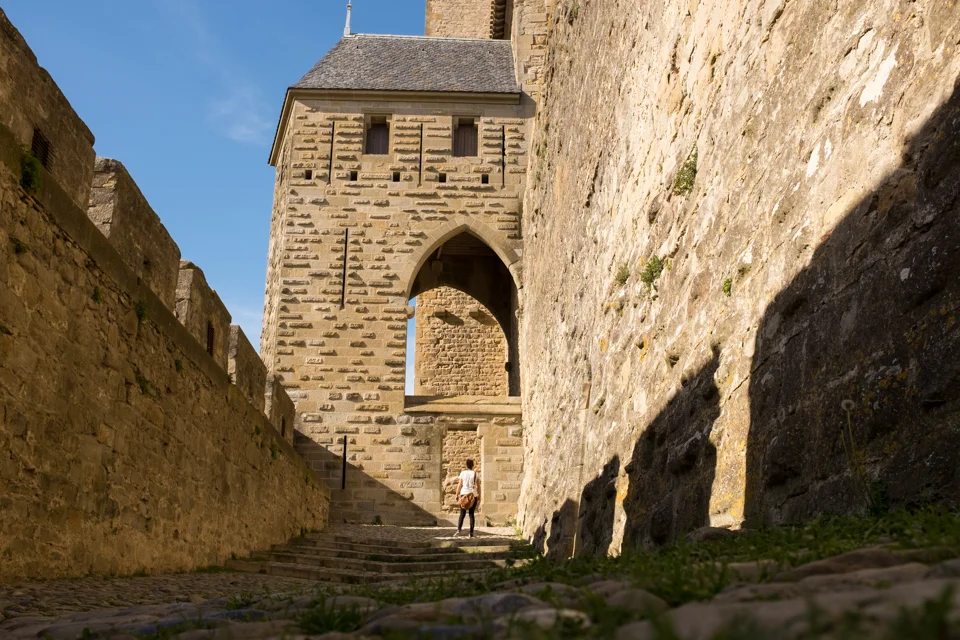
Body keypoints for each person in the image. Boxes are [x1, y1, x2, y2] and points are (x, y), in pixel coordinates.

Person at [454, 459, 480, 537]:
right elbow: (478, 486)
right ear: (473, 465)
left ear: (466, 465)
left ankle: (459, 530)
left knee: (462, 514)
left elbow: (460, 485)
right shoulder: (476, 474)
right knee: (471, 514)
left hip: (463, 494)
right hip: (473, 495)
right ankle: (471, 533)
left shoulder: (463, 473)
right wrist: (479, 496)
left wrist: (457, 494)